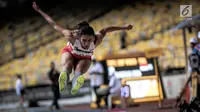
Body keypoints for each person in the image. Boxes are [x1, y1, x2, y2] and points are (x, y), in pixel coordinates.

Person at [32, 2, 133, 94]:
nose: (87, 43)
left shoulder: (97, 39)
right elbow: (54, 24)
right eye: (84, 40)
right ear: (78, 37)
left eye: (89, 40)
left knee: (79, 69)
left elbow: (106, 29)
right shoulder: (71, 36)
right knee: (68, 65)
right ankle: (64, 77)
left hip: (84, 57)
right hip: (70, 53)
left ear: (93, 37)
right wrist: (40, 11)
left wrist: (124, 27)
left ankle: (76, 82)